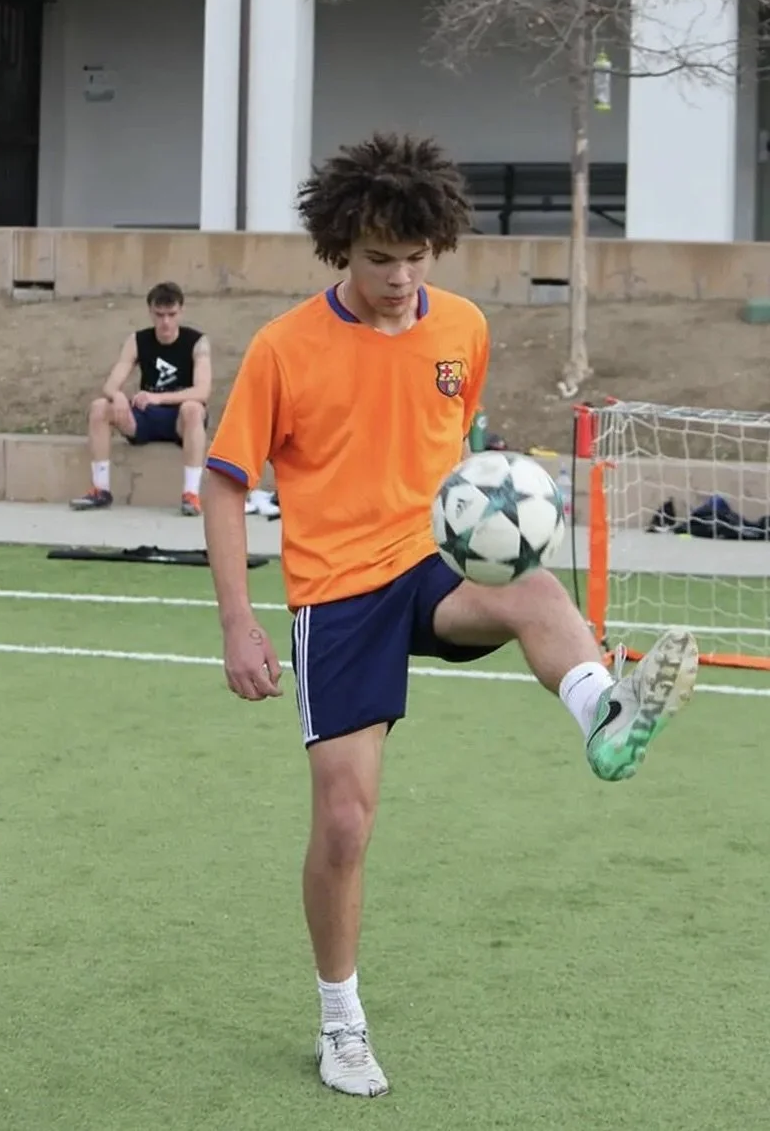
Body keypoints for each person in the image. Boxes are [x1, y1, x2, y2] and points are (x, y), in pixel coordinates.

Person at [201, 133, 699, 1099]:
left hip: (431, 565)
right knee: (345, 821)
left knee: (536, 589)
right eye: (379, 257)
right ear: (342, 244)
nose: (398, 278)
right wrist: (237, 621)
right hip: (336, 593)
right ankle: (340, 1020)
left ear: (439, 247)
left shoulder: (462, 328)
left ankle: (606, 713)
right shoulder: (283, 349)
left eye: (415, 258)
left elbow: (456, 442)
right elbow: (226, 487)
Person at [70, 281, 212, 516]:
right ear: (150, 312)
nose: (165, 322)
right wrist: (118, 396)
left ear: (181, 312)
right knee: (99, 407)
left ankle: (191, 494)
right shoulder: (138, 340)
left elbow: (202, 391)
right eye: (159, 315)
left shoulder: (196, 342)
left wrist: (159, 398)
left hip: (180, 421)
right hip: (144, 418)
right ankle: (100, 489)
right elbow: (110, 385)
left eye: (171, 314)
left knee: (193, 409)